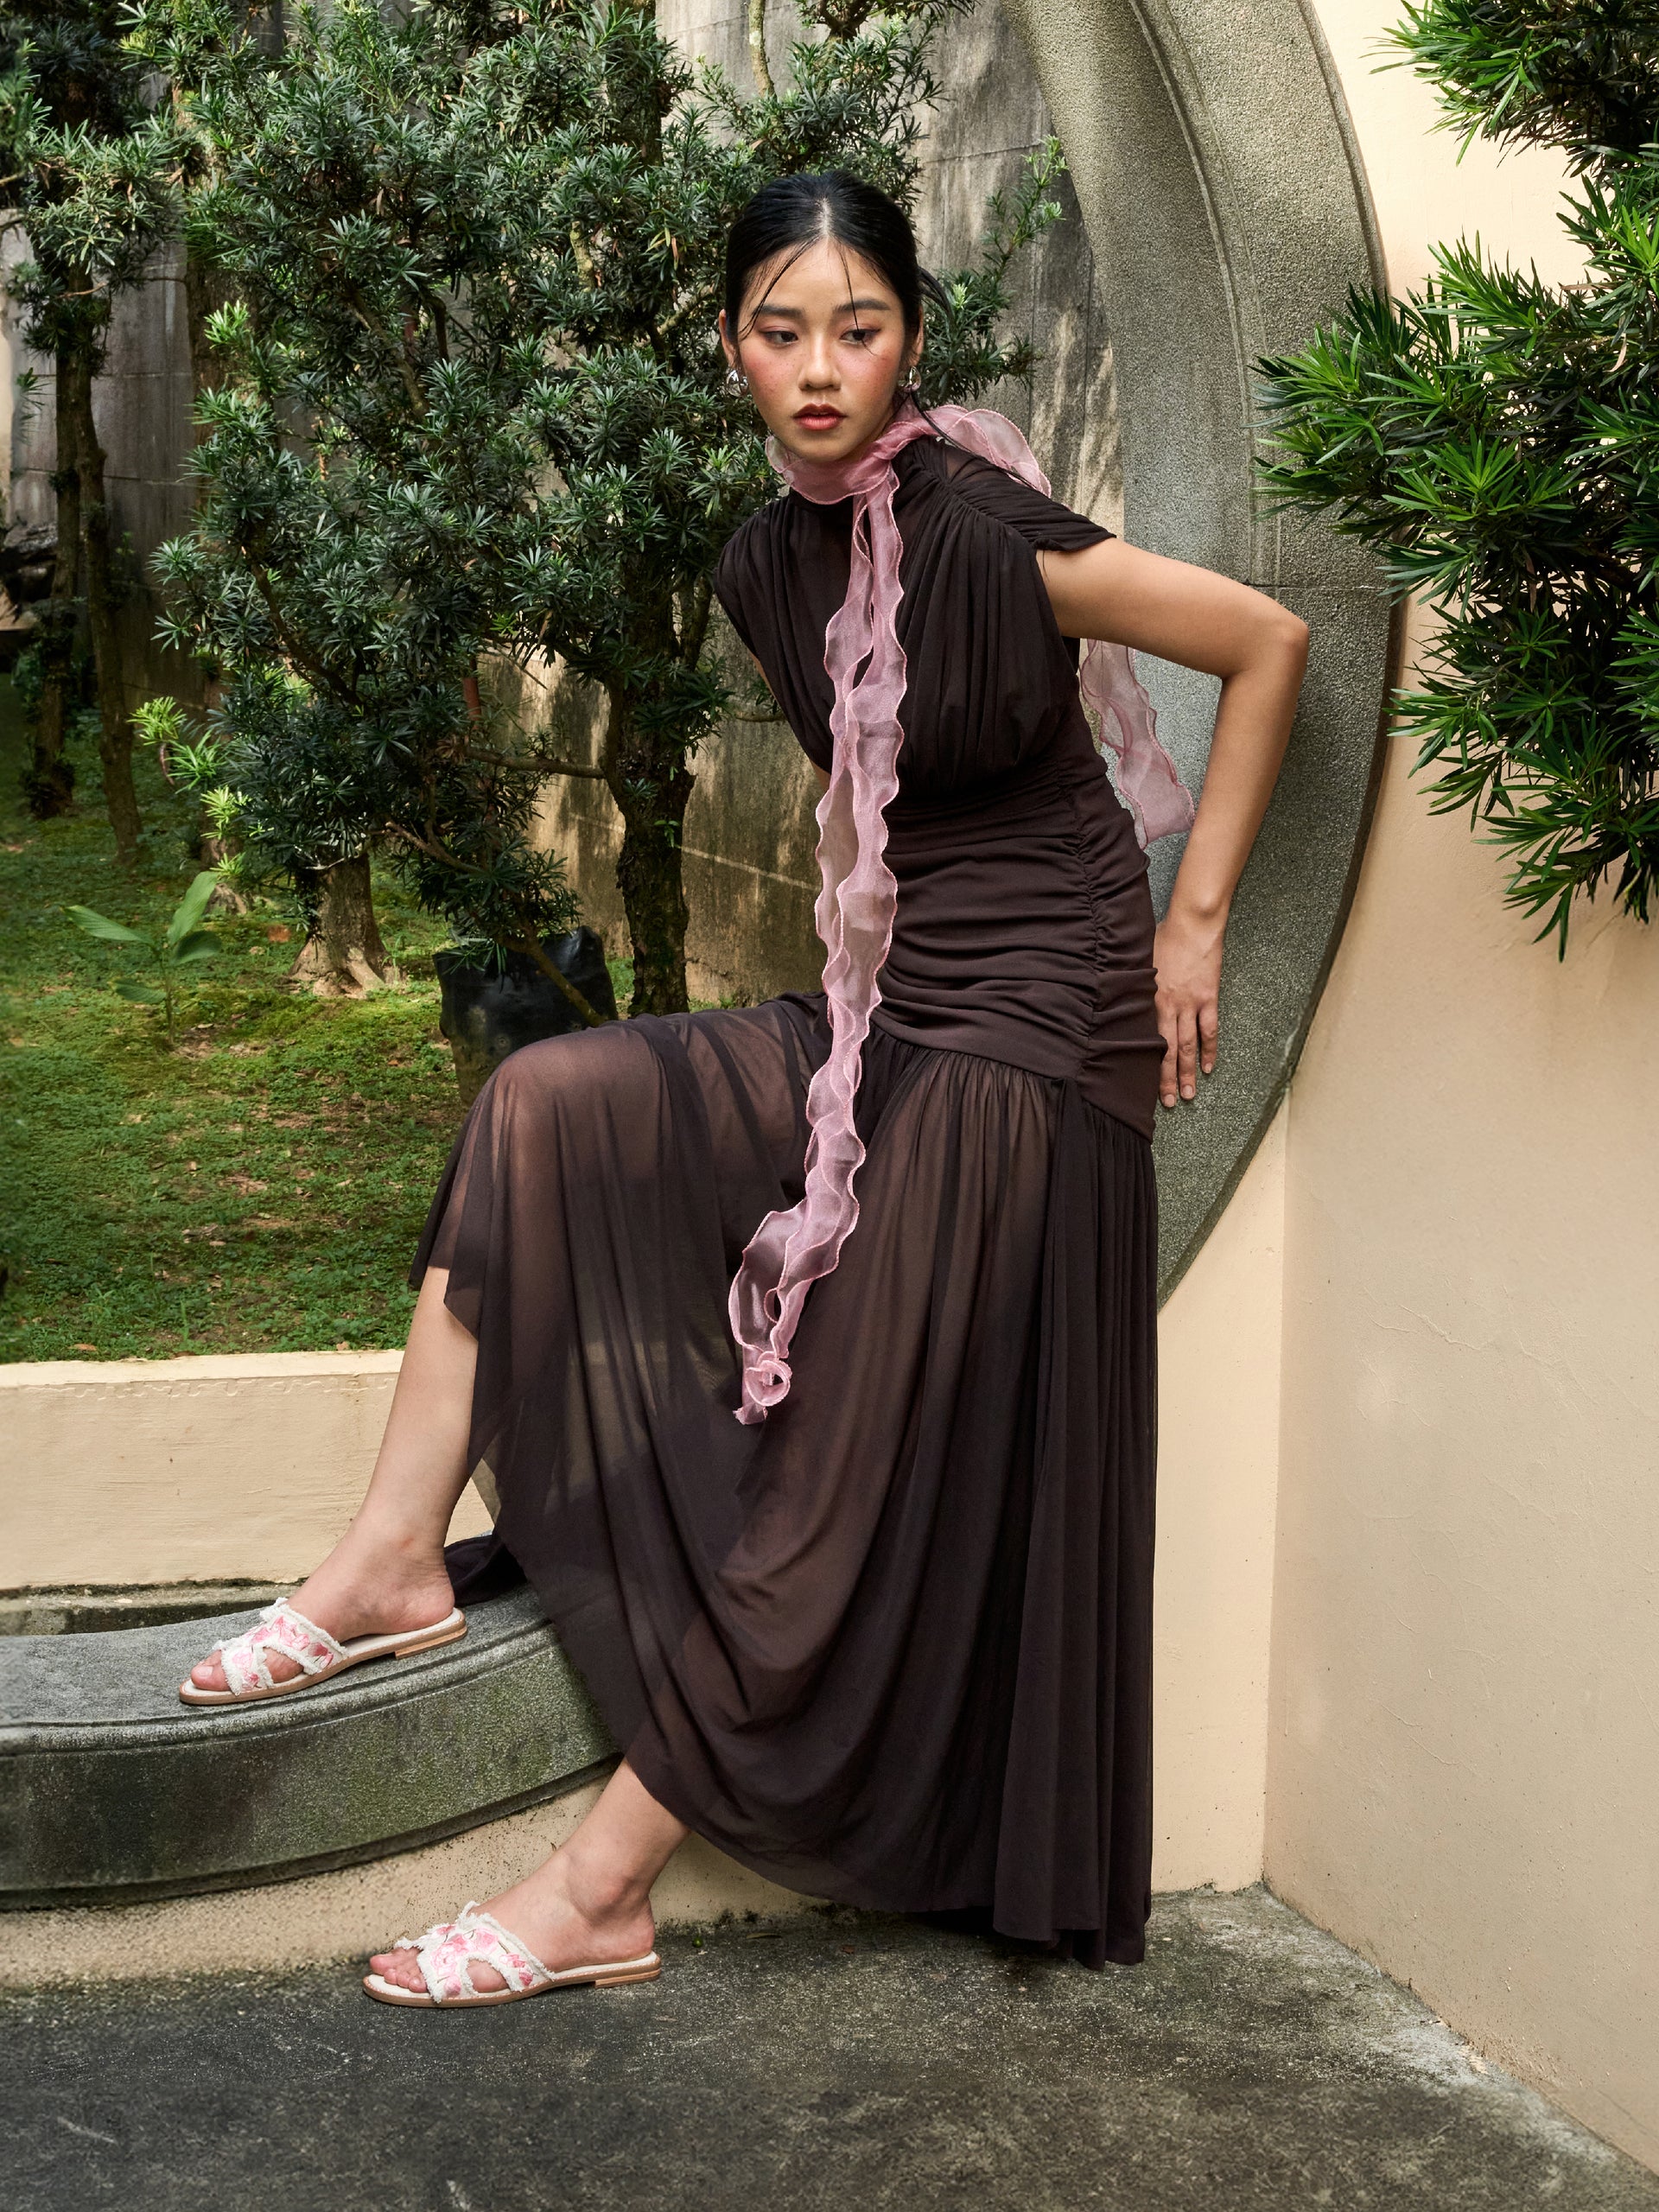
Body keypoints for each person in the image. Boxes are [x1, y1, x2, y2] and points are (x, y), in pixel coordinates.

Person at [181, 171, 1307, 2010]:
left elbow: (1271, 643)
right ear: (732, 349)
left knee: (840, 1438)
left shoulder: (987, 530)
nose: (821, 367)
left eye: (859, 329)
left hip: (1047, 1017)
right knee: (546, 1102)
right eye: (783, 332)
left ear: (909, 341)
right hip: (901, 1002)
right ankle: (388, 1557)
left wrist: (1195, 924)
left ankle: (597, 1891)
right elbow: (883, 823)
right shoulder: (759, 565)